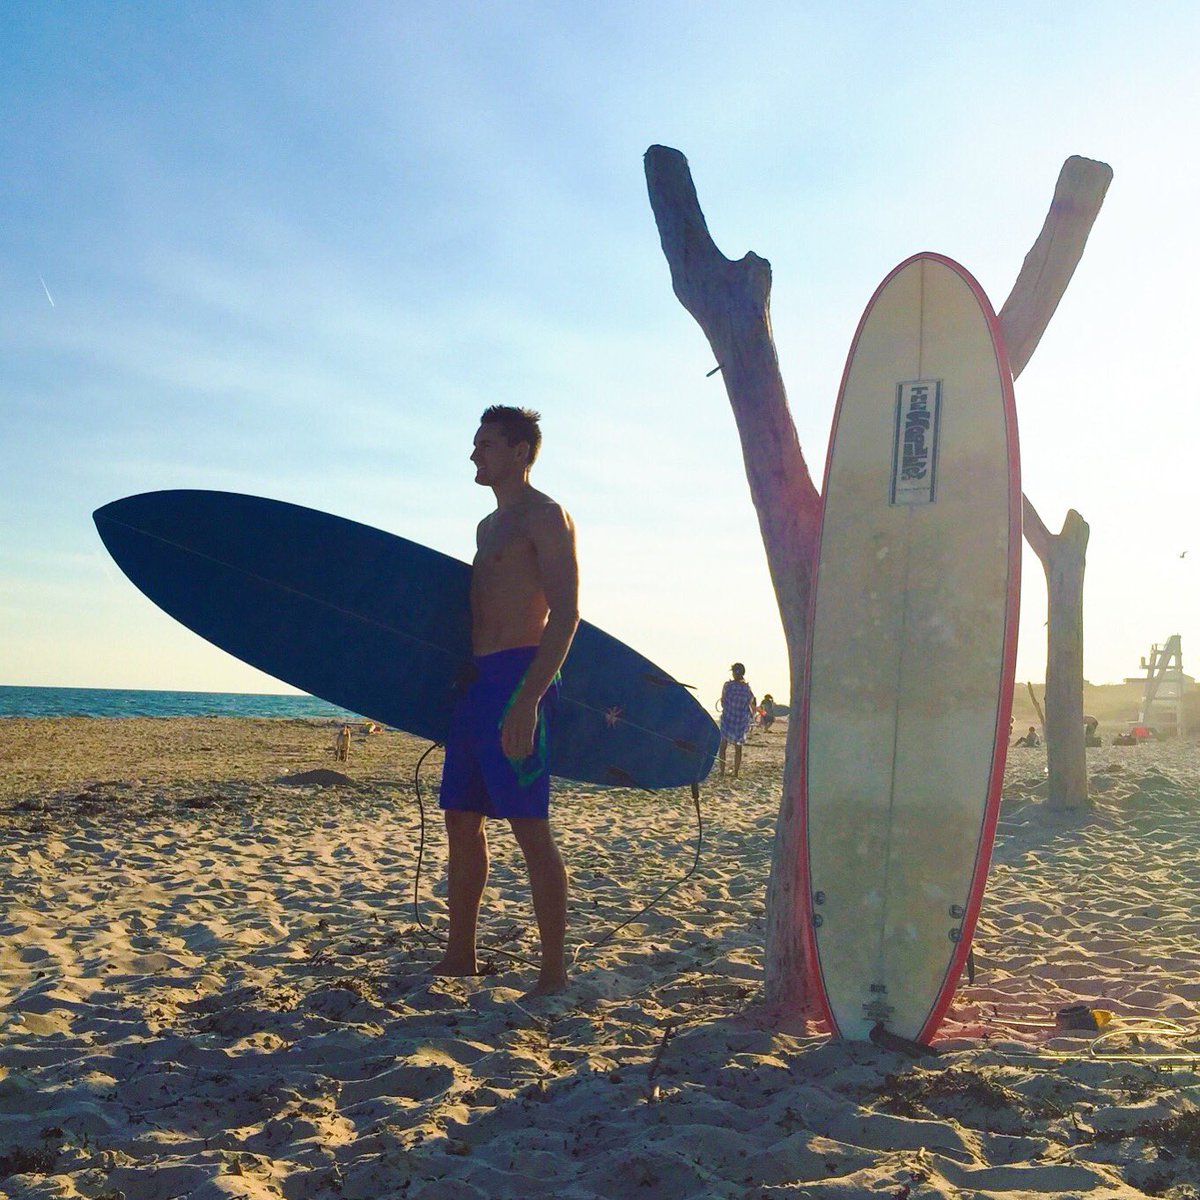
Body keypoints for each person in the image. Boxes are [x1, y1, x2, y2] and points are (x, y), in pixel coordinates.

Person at [436, 405, 579, 997]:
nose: (475, 454)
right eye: (475, 444)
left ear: (520, 452)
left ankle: (553, 970)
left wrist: (527, 702)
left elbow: (567, 614)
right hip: (477, 684)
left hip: (520, 679)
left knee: (529, 828)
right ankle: (460, 954)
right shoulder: (486, 528)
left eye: (487, 445)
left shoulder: (545, 517)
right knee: (461, 822)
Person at [717, 662, 756, 779]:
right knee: (738, 747)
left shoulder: (728, 686)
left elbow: (723, 702)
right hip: (740, 720)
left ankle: (722, 771)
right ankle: (736, 772)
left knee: (723, 745)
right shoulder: (746, 688)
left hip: (728, 718)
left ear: (734, 672)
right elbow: (750, 701)